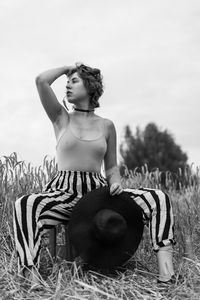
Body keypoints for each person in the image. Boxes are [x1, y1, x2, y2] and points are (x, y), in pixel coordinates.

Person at [13, 63, 176, 287]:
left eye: (74, 81)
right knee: (25, 204)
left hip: (98, 196)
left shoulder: (107, 126)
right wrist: (69, 69)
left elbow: (111, 167)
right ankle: (30, 278)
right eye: (66, 83)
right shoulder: (61, 117)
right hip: (64, 193)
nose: (67, 87)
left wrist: (116, 182)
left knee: (158, 198)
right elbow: (41, 80)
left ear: (89, 87)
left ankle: (167, 275)